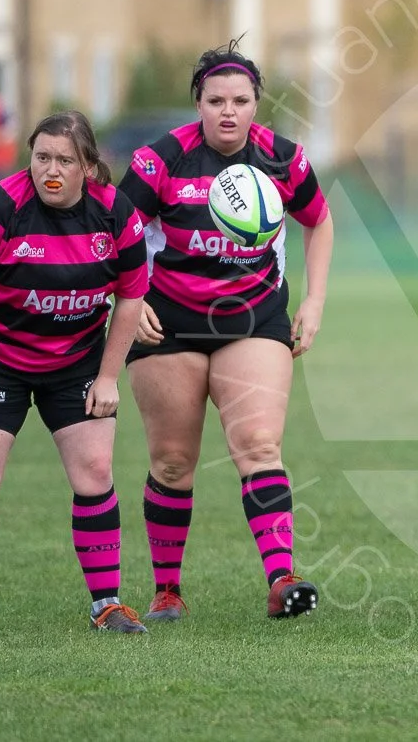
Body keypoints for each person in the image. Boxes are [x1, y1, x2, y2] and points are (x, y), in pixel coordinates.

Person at [118, 41, 334, 621]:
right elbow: (114, 227)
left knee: (260, 446)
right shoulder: (160, 160)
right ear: (198, 103)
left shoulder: (285, 159)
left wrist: (313, 300)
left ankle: (282, 579)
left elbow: (319, 219)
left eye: (240, 100)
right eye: (216, 100)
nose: (228, 111)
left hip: (255, 319)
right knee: (172, 461)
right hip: (169, 323)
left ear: (256, 104)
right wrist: (126, 298)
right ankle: (167, 590)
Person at [0, 111, 149, 634]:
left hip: (78, 361)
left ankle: (106, 606)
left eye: (65, 160)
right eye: (41, 156)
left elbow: (132, 298)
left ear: (88, 166)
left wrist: (110, 377)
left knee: (94, 471)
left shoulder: (116, 214)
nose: (51, 169)